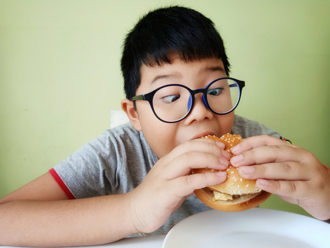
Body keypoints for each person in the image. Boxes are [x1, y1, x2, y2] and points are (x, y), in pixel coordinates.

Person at [0, 5, 329, 247]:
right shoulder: (116, 152)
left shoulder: (252, 140)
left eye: (215, 90)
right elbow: (6, 220)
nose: (200, 112)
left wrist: (325, 197)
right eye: (171, 96)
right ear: (134, 114)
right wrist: (133, 211)